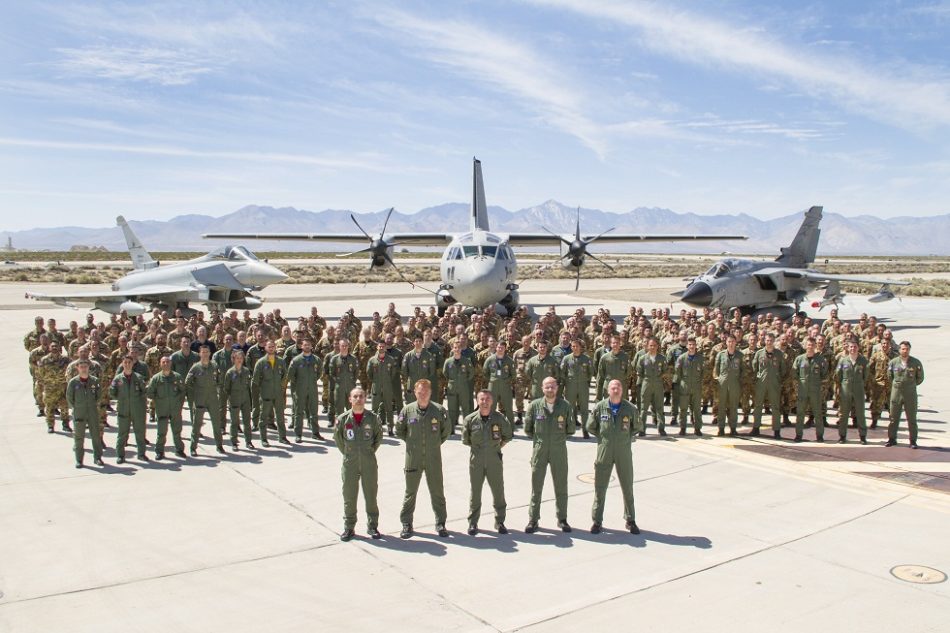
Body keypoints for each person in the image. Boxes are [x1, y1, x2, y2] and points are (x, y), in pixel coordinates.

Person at [395, 379, 452, 539]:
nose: (423, 394)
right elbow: (400, 431)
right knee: (410, 492)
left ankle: (441, 523)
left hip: (433, 457)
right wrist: (413, 443)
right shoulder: (407, 411)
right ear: (415, 392)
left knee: (437, 491)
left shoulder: (439, 411)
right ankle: (407, 524)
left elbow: (446, 431)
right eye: (420, 392)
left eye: (426, 391)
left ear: (430, 392)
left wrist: (433, 444)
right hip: (413, 458)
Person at [586, 379, 640, 535]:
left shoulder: (630, 409)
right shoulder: (600, 407)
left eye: (618, 387)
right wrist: (605, 439)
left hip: (623, 451)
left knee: (627, 486)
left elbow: (636, 427)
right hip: (605, 451)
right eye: (613, 388)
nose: (616, 390)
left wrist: (623, 438)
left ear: (622, 390)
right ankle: (597, 521)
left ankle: (631, 520)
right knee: (600, 487)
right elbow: (591, 426)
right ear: (608, 390)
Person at [523, 376, 575, 533]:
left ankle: (562, 518)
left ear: (557, 388)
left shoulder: (565, 406)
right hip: (540, 450)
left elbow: (570, 429)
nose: (550, 390)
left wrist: (556, 439)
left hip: (559, 450)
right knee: (536, 486)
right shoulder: (534, 406)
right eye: (547, 387)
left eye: (552, 387)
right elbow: (528, 429)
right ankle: (533, 519)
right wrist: (542, 441)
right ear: (542, 388)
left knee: (561, 485)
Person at [333, 387, 383, 541]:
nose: (358, 399)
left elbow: (378, 438)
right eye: (355, 396)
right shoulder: (342, 419)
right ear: (350, 399)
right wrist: (350, 453)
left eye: (361, 396)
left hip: (368, 461)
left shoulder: (373, 418)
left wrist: (367, 451)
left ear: (365, 398)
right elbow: (339, 440)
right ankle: (349, 527)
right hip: (350, 463)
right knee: (349, 496)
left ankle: (372, 526)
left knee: (371, 495)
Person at [461, 390, 512, 535]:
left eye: (487, 399)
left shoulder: (499, 418)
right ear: (477, 401)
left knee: (498, 491)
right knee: (475, 492)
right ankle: (473, 523)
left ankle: (500, 521)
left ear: (492, 401)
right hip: (476, 460)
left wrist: (495, 447)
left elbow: (507, 436)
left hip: (494, 459)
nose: (485, 402)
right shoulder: (470, 419)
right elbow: (466, 440)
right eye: (482, 399)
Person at [186, 345, 225, 455]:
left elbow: (219, 380)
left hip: (212, 397)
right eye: (203, 352)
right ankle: (193, 447)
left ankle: (219, 445)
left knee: (216, 423)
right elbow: (188, 382)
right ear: (200, 354)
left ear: (210, 353)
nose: (205, 354)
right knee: (197, 423)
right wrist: (195, 393)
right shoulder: (195, 367)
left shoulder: (214, 366)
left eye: (207, 352)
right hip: (200, 398)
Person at [146, 356, 187, 458]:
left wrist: (179, 404)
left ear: (171, 363)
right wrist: (158, 401)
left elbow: (183, 392)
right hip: (162, 409)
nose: (166, 364)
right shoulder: (156, 378)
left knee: (177, 431)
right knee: (161, 432)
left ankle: (179, 449)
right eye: (163, 362)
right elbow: (150, 393)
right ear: (160, 364)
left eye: (167, 362)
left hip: (175, 409)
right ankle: (159, 451)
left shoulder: (177, 377)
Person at [110, 355, 149, 464]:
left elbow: (144, 391)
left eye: (129, 362)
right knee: (122, 434)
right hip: (123, 409)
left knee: (140, 433)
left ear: (132, 364)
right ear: (122, 364)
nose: (127, 364)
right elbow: (112, 392)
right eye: (125, 362)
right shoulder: (118, 379)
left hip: (137, 410)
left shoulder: (139, 377)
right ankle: (120, 455)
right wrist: (122, 399)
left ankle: (141, 454)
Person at [886, 341, 925, 448]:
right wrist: (898, 384)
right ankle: (892, 439)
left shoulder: (916, 362)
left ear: (909, 350)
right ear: (899, 350)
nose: (905, 351)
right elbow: (889, 377)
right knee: (893, 418)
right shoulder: (893, 362)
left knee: (912, 418)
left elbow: (920, 378)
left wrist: (910, 385)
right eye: (903, 349)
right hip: (896, 393)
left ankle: (913, 441)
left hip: (910, 394)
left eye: (907, 349)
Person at [66, 359, 103, 468]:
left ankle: (97, 458)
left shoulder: (95, 381)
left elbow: (99, 395)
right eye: (81, 366)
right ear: (77, 368)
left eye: (85, 366)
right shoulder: (73, 382)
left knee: (96, 435)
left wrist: (92, 404)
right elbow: (69, 397)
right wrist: (77, 407)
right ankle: (79, 460)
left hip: (92, 411)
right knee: (79, 437)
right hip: (79, 411)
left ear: (88, 368)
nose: (83, 368)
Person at [253, 340, 288, 446]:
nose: (271, 348)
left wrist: (281, 387)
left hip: (277, 393)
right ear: (265, 348)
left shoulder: (281, 361)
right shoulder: (261, 362)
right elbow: (256, 379)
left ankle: (282, 437)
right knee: (264, 417)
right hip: (265, 393)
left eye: (273, 346)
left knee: (280, 416)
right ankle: (264, 439)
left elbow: (285, 375)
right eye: (269, 346)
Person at [287, 339, 324, 442]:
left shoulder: (316, 360)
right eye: (305, 345)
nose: (307, 346)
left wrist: (312, 380)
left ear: (311, 346)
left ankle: (315, 433)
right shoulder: (296, 360)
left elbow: (320, 372)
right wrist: (299, 382)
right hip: (300, 389)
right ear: (301, 346)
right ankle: (298, 434)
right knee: (299, 412)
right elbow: (291, 375)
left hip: (312, 388)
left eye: (309, 345)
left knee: (314, 411)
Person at [792, 337, 828, 442]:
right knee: (800, 413)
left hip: (815, 391)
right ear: (805, 346)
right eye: (808, 345)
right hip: (802, 390)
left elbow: (825, 376)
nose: (810, 347)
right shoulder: (799, 359)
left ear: (815, 346)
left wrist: (821, 390)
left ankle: (820, 435)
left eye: (812, 345)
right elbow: (794, 375)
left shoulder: (821, 360)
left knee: (818, 413)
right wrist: (797, 389)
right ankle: (798, 435)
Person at [752, 333, 786, 439]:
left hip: (774, 384)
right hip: (761, 383)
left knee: (775, 407)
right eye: (767, 340)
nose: (769, 342)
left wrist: (778, 379)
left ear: (774, 341)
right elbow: (754, 367)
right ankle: (756, 428)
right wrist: (758, 377)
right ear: (764, 341)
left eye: (771, 340)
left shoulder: (779, 354)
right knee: (758, 406)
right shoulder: (759, 353)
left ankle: (776, 430)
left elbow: (783, 369)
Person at [835, 340, 869, 444]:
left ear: (858, 348)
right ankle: (842, 436)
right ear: (848, 348)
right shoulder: (843, 360)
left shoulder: (863, 361)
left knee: (860, 413)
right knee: (844, 413)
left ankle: (862, 436)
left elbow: (866, 376)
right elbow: (838, 375)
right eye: (851, 347)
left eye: (855, 347)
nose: (853, 349)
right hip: (846, 389)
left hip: (858, 389)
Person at [561, 339, 594, 438]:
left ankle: (585, 430)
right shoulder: (567, 358)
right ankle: (569, 429)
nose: (575, 348)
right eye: (573, 346)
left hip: (583, 385)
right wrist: (566, 381)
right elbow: (562, 371)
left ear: (581, 347)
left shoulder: (587, 359)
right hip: (570, 385)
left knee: (584, 409)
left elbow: (590, 372)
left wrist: (585, 380)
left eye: (577, 346)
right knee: (569, 408)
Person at [713, 333, 744, 437]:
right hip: (722, 385)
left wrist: (739, 382)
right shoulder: (720, 354)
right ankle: (721, 428)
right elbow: (715, 370)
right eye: (729, 342)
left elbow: (743, 371)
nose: (731, 344)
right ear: (726, 343)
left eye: (733, 342)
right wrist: (718, 380)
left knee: (733, 407)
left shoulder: (740, 355)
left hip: (735, 385)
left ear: (736, 343)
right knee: (721, 407)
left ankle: (733, 428)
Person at [223, 350, 255, 449]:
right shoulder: (230, 372)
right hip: (234, 399)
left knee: (247, 422)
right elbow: (226, 388)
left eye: (241, 358)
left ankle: (248, 441)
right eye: (237, 358)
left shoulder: (246, 371)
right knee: (234, 422)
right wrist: (230, 399)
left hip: (245, 399)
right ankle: (234, 442)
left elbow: (249, 386)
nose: (239, 360)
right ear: (233, 359)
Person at [672, 337, 704, 436]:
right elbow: (677, 372)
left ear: (696, 346)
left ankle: (697, 428)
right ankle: (683, 428)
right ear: (687, 345)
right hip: (684, 385)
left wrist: (698, 381)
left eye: (693, 344)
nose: (691, 346)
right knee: (683, 408)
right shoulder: (681, 358)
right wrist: (682, 381)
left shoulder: (700, 358)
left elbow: (703, 372)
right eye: (690, 344)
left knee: (697, 409)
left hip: (696, 386)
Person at [635, 337, 667, 436]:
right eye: (650, 345)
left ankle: (661, 428)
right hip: (646, 383)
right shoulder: (642, 358)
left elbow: (665, 371)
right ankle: (642, 429)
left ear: (657, 346)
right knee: (643, 408)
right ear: (647, 346)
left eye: (654, 345)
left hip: (658, 383)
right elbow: (639, 371)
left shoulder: (662, 358)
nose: (652, 347)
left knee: (659, 407)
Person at [367, 346, 399, 436]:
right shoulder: (372, 360)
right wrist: (376, 381)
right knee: (374, 409)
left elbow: (393, 373)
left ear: (385, 348)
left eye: (383, 346)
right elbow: (369, 374)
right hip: (376, 387)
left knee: (389, 408)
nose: (381, 348)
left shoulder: (391, 360)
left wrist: (387, 380)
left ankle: (390, 428)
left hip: (387, 387)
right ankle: (374, 428)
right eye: (379, 346)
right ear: (377, 347)